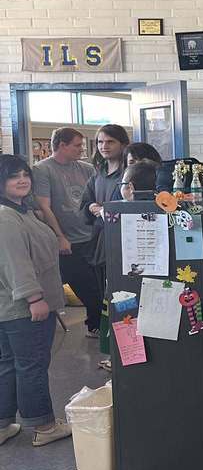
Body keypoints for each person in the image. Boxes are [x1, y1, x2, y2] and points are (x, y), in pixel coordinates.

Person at [0, 155, 72, 448]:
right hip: (22, 306)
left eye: (24, 174)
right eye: (12, 176)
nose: (22, 180)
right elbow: (16, 263)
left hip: (11, 306)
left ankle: (3, 424)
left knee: (8, 364)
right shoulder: (6, 217)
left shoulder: (22, 210)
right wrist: (35, 298)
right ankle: (43, 425)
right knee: (31, 365)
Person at [32, 127, 102, 337]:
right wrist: (60, 237)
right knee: (85, 286)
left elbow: (96, 198)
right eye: (77, 145)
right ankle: (96, 325)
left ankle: (95, 324)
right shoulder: (42, 170)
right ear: (62, 145)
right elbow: (44, 207)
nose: (81, 149)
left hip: (91, 235)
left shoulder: (86, 168)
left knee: (99, 286)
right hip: (68, 240)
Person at [81, 124, 130, 302]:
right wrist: (92, 207)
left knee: (123, 294)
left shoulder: (129, 173)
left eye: (110, 141)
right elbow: (85, 202)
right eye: (100, 142)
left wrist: (107, 210)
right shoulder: (98, 174)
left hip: (124, 242)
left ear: (123, 145)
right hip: (100, 240)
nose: (104, 146)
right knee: (104, 293)